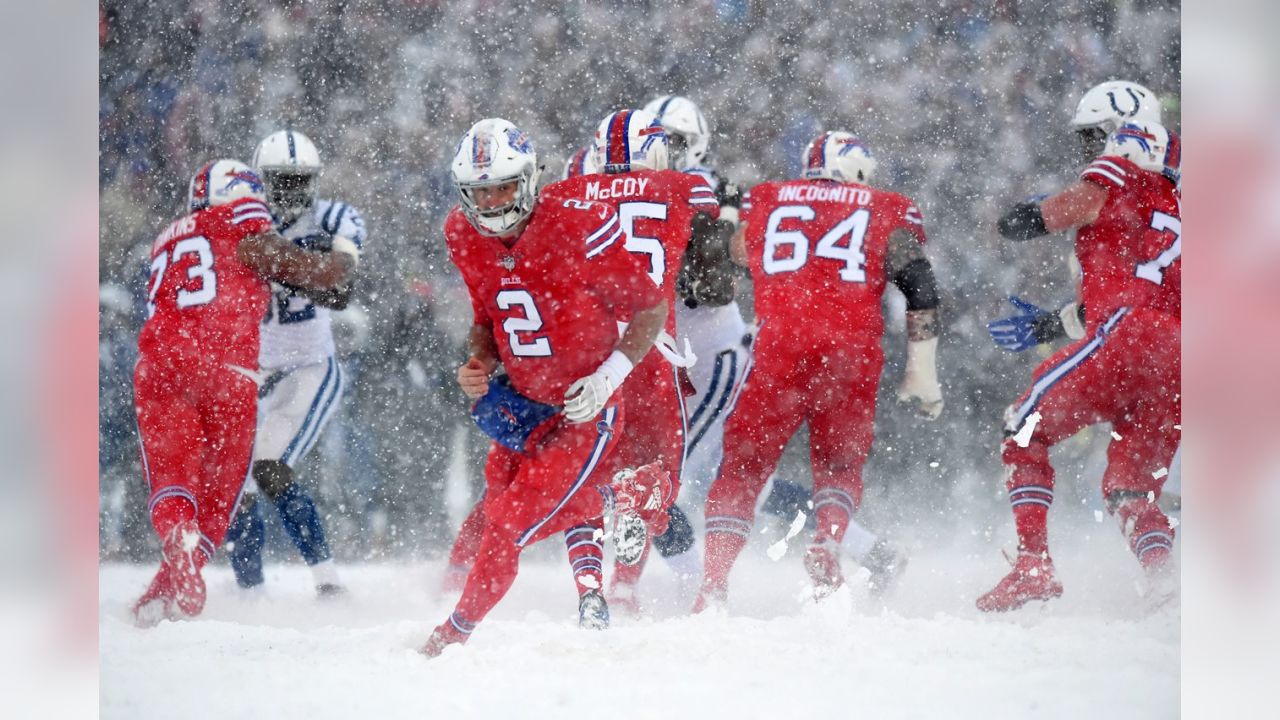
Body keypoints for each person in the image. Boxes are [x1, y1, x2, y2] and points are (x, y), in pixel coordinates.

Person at [422, 118, 673, 656]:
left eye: (503, 187)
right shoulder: (461, 232)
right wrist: (478, 361)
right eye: (479, 191)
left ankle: (452, 635)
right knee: (497, 514)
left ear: (530, 179)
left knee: (508, 526)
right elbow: (487, 317)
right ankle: (620, 493)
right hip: (521, 403)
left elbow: (652, 307)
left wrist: (609, 378)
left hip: (585, 411)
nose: (490, 203)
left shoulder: (577, 226)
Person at [648, 94, 908, 595]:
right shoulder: (656, 188)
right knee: (745, 485)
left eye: (674, 140)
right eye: (656, 140)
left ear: (695, 145)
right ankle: (874, 553)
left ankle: (694, 589)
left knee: (664, 479)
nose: (663, 150)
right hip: (681, 358)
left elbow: (711, 269)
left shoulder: (701, 188)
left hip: (711, 359)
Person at [695, 131, 944, 609]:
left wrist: (729, 217)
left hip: (779, 346)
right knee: (838, 465)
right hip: (851, 349)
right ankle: (828, 543)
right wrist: (923, 368)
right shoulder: (884, 206)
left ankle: (713, 586)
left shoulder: (767, 197)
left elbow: (734, 255)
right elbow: (919, 283)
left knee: (742, 471)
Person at [132, 160, 357, 626]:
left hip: (163, 363)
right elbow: (313, 276)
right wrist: (337, 261)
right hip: (229, 371)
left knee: (175, 479)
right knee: (222, 496)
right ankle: (192, 568)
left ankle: (170, 566)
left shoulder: (165, 237)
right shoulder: (239, 218)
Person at [977, 120, 1182, 612]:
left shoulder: (1122, 174)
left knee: (1023, 428)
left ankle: (1033, 564)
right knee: (1129, 485)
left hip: (1128, 334)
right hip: (1182, 354)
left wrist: (1024, 215)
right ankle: (1165, 580)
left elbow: (1058, 213)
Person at [221, 129, 368, 597]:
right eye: (279, 180)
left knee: (269, 467)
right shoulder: (239, 219)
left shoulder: (334, 219)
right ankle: (250, 591)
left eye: (297, 180)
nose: (287, 191)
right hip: (255, 367)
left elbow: (342, 291)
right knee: (235, 477)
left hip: (310, 364)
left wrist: (280, 266)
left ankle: (328, 583)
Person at [989, 80, 1164, 352]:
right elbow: (1126, 305)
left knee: (1042, 394)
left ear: (1121, 132)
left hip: (1146, 345)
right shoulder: (1167, 187)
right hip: (1168, 342)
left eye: (1092, 136)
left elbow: (1017, 225)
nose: (1086, 148)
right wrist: (1054, 325)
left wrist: (1041, 208)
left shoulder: (1116, 183)